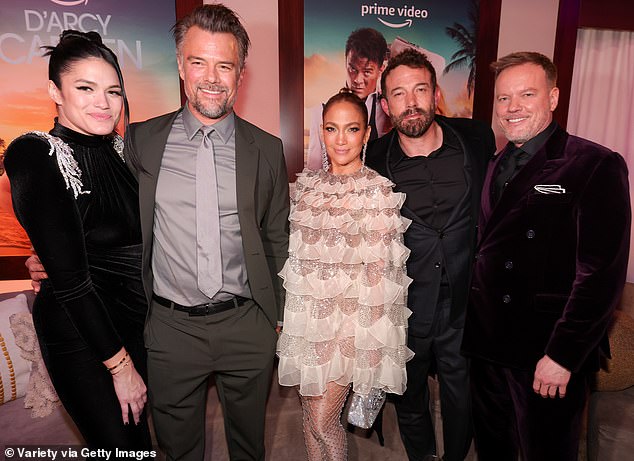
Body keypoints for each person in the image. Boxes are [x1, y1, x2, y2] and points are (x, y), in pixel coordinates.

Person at [128, 5, 289, 460]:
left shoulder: (267, 149)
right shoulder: (141, 141)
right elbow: (112, 225)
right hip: (170, 328)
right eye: (199, 62)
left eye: (226, 65)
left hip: (247, 323)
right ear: (181, 66)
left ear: (241, 73)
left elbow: (278, 237)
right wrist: (54, 256)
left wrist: (279, 319)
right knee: (177, 450)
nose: (212, 77)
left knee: (249, 446)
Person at [461, 51, 631, 460]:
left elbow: (600, 275)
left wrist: (563, 355)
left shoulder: (593, 163)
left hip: (545, 352)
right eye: (503, 98)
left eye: (526, 94)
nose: (512, 107)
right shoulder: (494, 163)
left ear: (553, 97)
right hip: (487, 346)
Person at [4, 30, 151, 450]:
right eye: (85, 88)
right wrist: (120, 368)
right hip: (83, 337)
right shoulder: (35, 154)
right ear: (55, 91)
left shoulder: (125, 152)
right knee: (121, 448)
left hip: (135, 324)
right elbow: (71, 280)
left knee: (137, 443)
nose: (102, 102)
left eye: (113, 91)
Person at [366, 48, 496, 461]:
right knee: (409, 391)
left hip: (464, 296)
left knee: (462, 390)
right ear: (386, 106)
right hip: (404, 305)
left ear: (435, 94)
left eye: (420, 89)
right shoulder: (374, 159)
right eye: (399, 94)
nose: (411, 102)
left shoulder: (476, 138)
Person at [277, 88, 413, 461]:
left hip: (349, 330)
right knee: (308, 417)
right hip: (306, 323)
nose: (340, 139)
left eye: (351, 129)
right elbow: (297, 262)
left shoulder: (378, 194)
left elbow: (387, 282)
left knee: (323, 420)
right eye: (332, 128)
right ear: (321, 131)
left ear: (366, 134)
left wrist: (373, 350)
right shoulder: (307, 188)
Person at [306, 28, 390, 170]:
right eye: (352, 69)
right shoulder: (320, 111)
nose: (358, 79)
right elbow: (314, 168)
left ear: (381, 68)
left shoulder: (389, 110)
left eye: (367, 71)